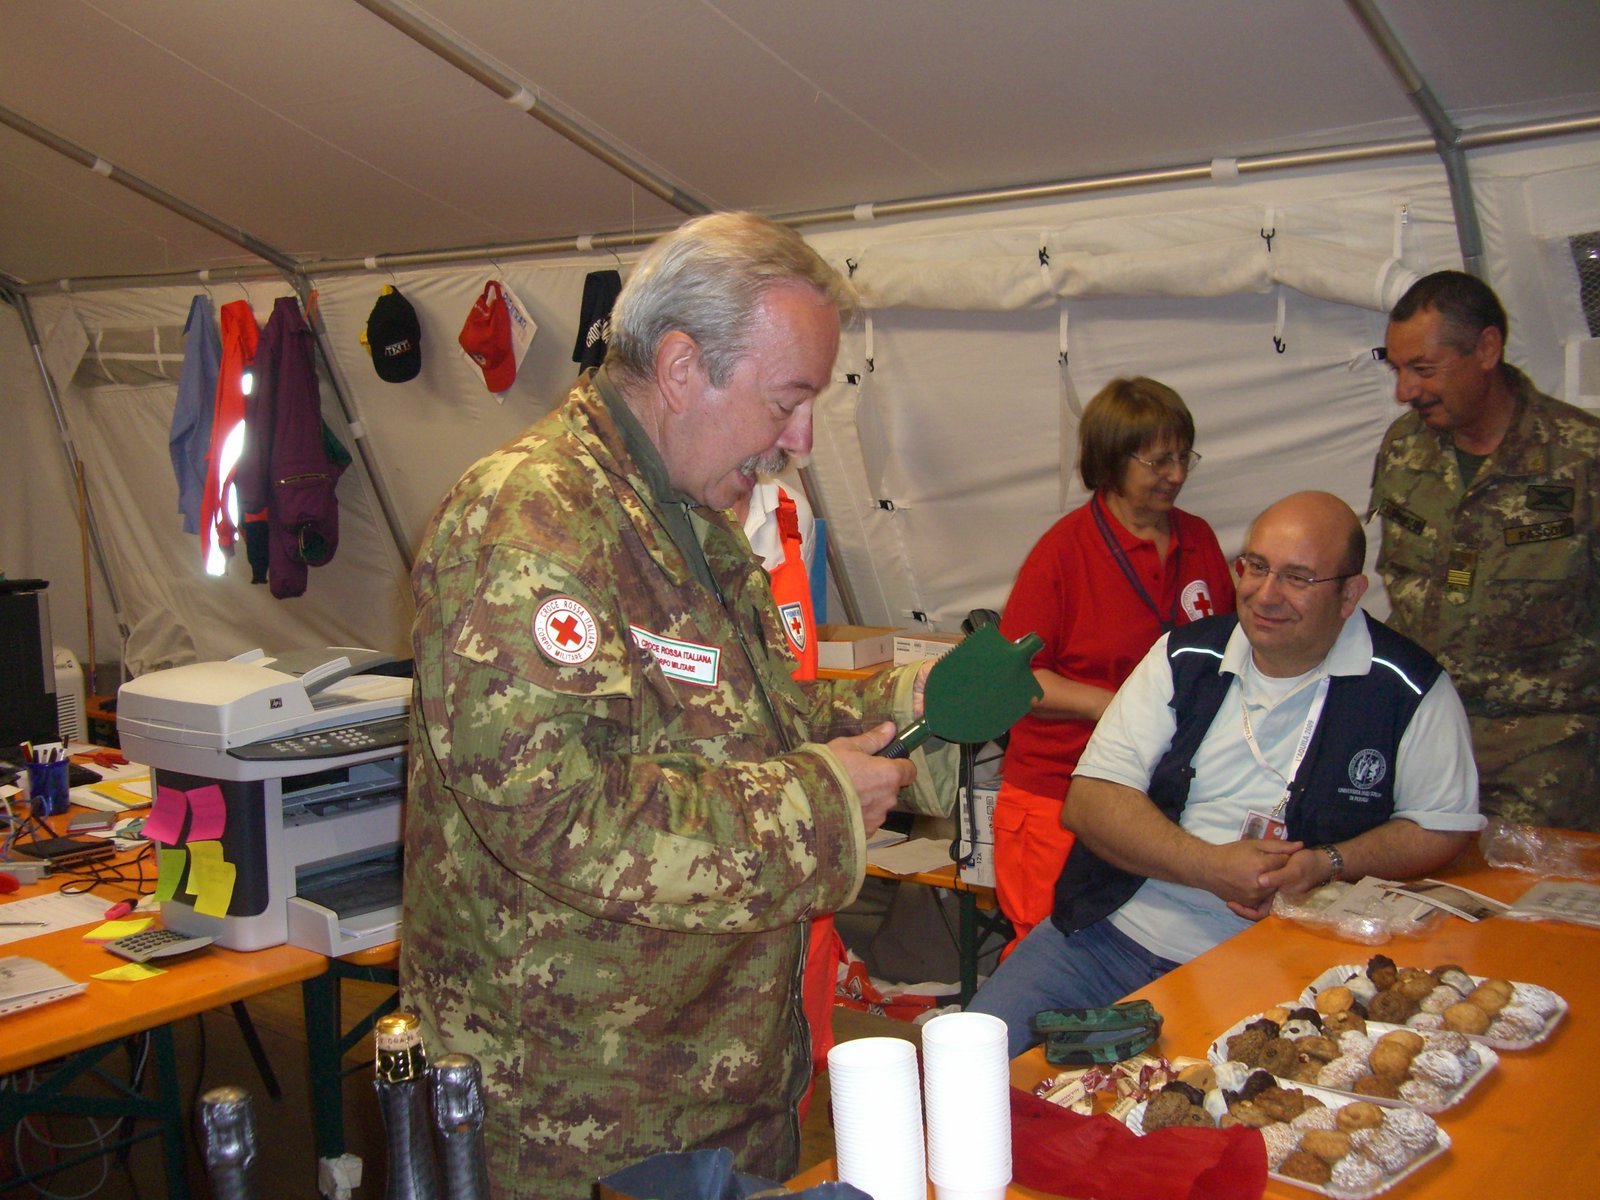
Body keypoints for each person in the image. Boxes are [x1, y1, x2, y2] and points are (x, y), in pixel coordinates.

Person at [401, 212, 946, 1199]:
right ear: (685, 368)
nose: (802, 440)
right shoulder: (527, 523)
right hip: (579, 1118)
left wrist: (915, 705)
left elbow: (755, 718)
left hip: (721, 1077)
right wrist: (818, 809)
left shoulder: (686, 516)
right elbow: (552, 812)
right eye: (789, 400)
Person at [969, 491, 1482, 1059]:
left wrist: (1330, 862)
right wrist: (1210, 866)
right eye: (1256, 567)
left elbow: (1442, 825)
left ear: (1349, 594)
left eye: (1297, 578)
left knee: (1184, 1117)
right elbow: (1089, 802)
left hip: (1280, 964)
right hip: (1109, 934)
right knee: (960, 1063)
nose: (1266, 595)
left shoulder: (1407, 685)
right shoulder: (1183, 656)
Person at [994, 377, 1235, 949]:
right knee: (1051, 957)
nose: (1176, 475)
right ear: (1111, 460)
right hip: (1059, 793)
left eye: (1184, 457)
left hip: (1159, 799)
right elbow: (1011, 679)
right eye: (1158, 461)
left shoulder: (1198, 540)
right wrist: (1119, 707)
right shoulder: (1064, 552)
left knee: (1141, 954)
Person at [1369, 269, 1600, 831]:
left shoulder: (1581, 460)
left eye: (1423, 369)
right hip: (1421, 739)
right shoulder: (1404, 450)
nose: (1405, 391)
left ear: (1487, 348)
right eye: (1397, 369)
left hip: (1546, 755)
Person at [731, 467, 840, 1120]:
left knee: (799, 1041)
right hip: (719, 826)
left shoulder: (791, 511)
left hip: (798, 818)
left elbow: (806, 677)